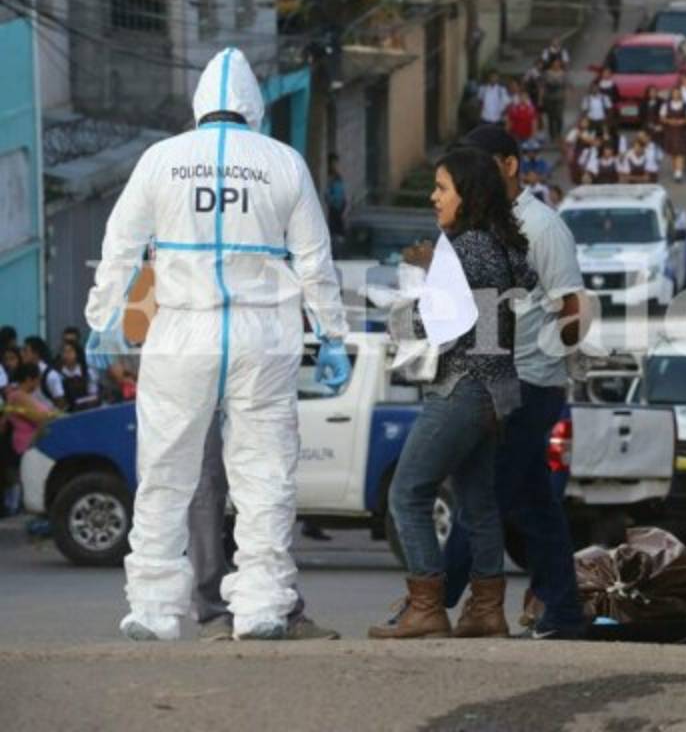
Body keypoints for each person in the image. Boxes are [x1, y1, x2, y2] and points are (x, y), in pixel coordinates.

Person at [84, 47, 349, 641]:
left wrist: (103, 317)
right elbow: (315, 261)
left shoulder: (161, 159)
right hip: (264, 332)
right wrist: (332, 335)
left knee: (164, 469)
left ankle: (153, 606)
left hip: (181, 329)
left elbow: (120, 243)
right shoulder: (284, 163)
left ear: (200, 105)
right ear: (254, 106)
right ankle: (261, 606)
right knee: (264, 474)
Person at [369, 146, 537, 640]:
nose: (433, 196)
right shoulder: (502, 245)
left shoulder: (466, 248)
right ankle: (486, 610)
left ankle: (427, 606)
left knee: (407, 492)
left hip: (461, 387)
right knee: (477, 501)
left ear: (469, 194)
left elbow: (437, 318)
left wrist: (399, 312)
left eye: (443, 188)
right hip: (497, 390)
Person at [443, 125, 588, 639]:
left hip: (528, 384)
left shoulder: (542, 228)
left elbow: (571, 309)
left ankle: (431, 603)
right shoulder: (477, 229)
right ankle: (566, 613)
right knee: (533, 506)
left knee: (480, 499)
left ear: (507, 166)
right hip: (490, 382)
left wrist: (547, 364)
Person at [188, 413, 339, 641]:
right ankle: (213, 614)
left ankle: (282, 609)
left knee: (265, 486)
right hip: (200, 391)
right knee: (205, 497)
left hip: (251, 384)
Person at [21, 337, 66, 411]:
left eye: (25, 351)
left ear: (36, 353)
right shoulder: (23, 372)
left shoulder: (51, 375)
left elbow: (61, 403)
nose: (22, 354)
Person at [57, 340, 99, 412]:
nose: (67, 355)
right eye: (64, 352)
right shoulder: (57, 373)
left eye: (70, 352)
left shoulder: (88, 372)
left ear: (77, 354)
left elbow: (94, 395)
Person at [661, 86, 686, 183]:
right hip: (670, 131)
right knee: (673, 153)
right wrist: (669, 121)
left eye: (678, 93)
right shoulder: (666, 105)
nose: (676, 95)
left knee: (680, 152)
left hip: (681, 131)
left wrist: (683, 121)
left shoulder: (685, 105)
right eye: (674, 93)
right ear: (672, 94)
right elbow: (662, 117)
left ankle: (679, 173)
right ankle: (676, 171)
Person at [541, 59, 568, 141]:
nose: (556, 65)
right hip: (549, 97)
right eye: (554, 64)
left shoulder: (563, 73)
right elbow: (545, 84)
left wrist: (565, 94)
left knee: (559, 116)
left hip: (559, 98)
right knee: (550, 117)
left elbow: (564, 85)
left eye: (558, 64)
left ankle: (559, 133)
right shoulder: (547, 73)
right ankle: (552, 134)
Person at [325, 154, 349, 239]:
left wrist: (344, 202)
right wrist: (332, 200)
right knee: (335, 230)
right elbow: (327, 193)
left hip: (340, 207)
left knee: (341, 231)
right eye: (334, 163)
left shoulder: (338, 177)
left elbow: (341, 191)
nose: (336, 166)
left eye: (336, 163)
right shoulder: (329, 177)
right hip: (333, 208)